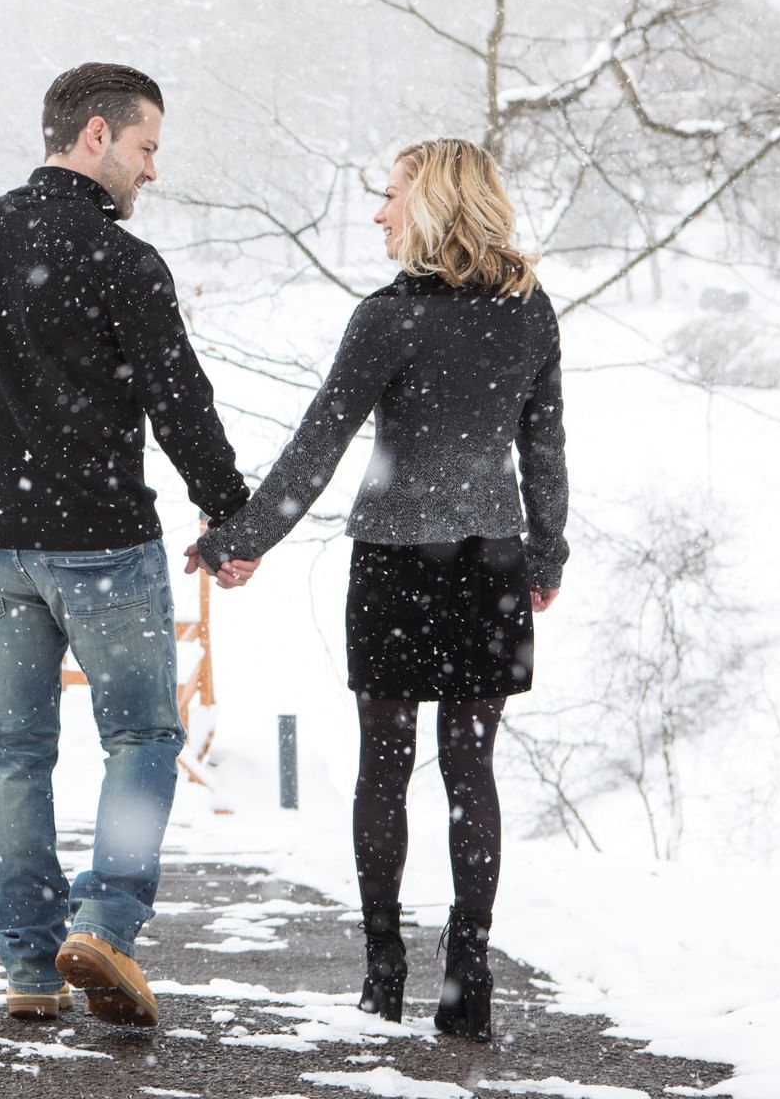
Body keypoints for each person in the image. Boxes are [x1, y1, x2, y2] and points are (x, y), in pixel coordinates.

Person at [192, 138, 568, 1044]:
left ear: (432, 203)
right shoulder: (528, 311)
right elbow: (544, 446)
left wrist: (237, 541)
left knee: (386, 765)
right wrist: (546, 557)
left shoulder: (389, 318)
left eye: (391, 195)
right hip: (491, 563)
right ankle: (468, 978)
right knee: (472, 769)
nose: (379, 212)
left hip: (400, 564)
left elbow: (317, 448)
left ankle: (383, 973)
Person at [0, 62, 258, 1027]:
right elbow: (180, 403)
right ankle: (105, 926)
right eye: (147, 149)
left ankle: (29, 965)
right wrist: (227, 515)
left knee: (13, 753)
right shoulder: (121, 263)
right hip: (102, 544)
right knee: (144, 737)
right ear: (98, 135)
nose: (151, 172)